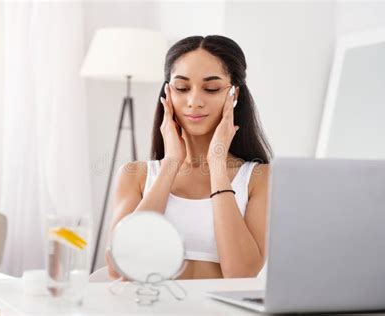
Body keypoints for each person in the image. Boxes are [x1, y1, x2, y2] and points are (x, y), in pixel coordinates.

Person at [105, 35, 273, 280]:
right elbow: (118, 267)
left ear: (234, 95)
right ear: (167, 93)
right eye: (182, 88)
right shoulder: (136, 175)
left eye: (212, 89)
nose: (194, 101)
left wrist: (217, 165)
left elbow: (240, 274)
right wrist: (170, 164)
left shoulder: (259, 177)